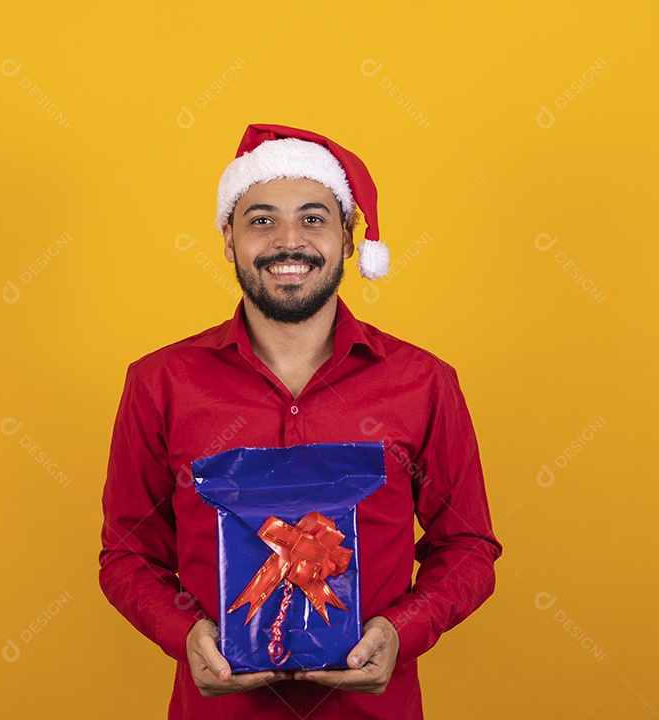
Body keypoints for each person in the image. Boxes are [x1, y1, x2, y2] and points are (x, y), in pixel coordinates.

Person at [99, 123, 502, 719]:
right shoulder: (161, 384)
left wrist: (403, 631)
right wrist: (183, 634)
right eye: (261, 220)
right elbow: (127, 553)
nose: (289, 242)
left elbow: (468, 545)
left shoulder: (423, 383)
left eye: (313, 218)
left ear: (346, 237)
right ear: (229, 241)